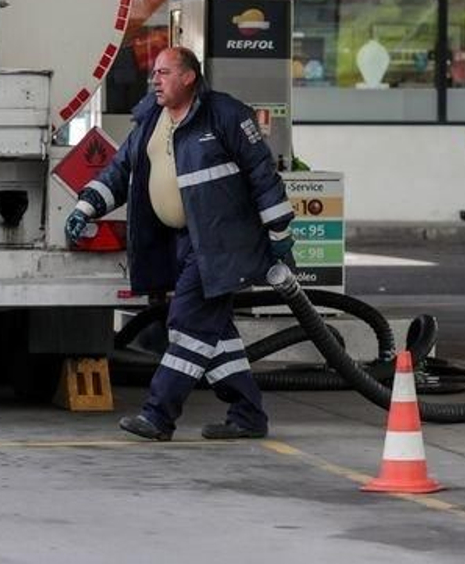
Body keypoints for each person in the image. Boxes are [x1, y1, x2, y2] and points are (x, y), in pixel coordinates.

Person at [65, 46, 296, 440]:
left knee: (186, 323)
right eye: (154, 73)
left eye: (164, 72)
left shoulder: (226, 115)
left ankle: (159, 415)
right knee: (214, 333)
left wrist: (279, 234)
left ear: (189, 77)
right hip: (185, 243)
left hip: (223, 244)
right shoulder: (151, 119)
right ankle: (248, 415)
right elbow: (121, 170)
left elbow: (263, 174)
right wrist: (86, 207)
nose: (155, 79)